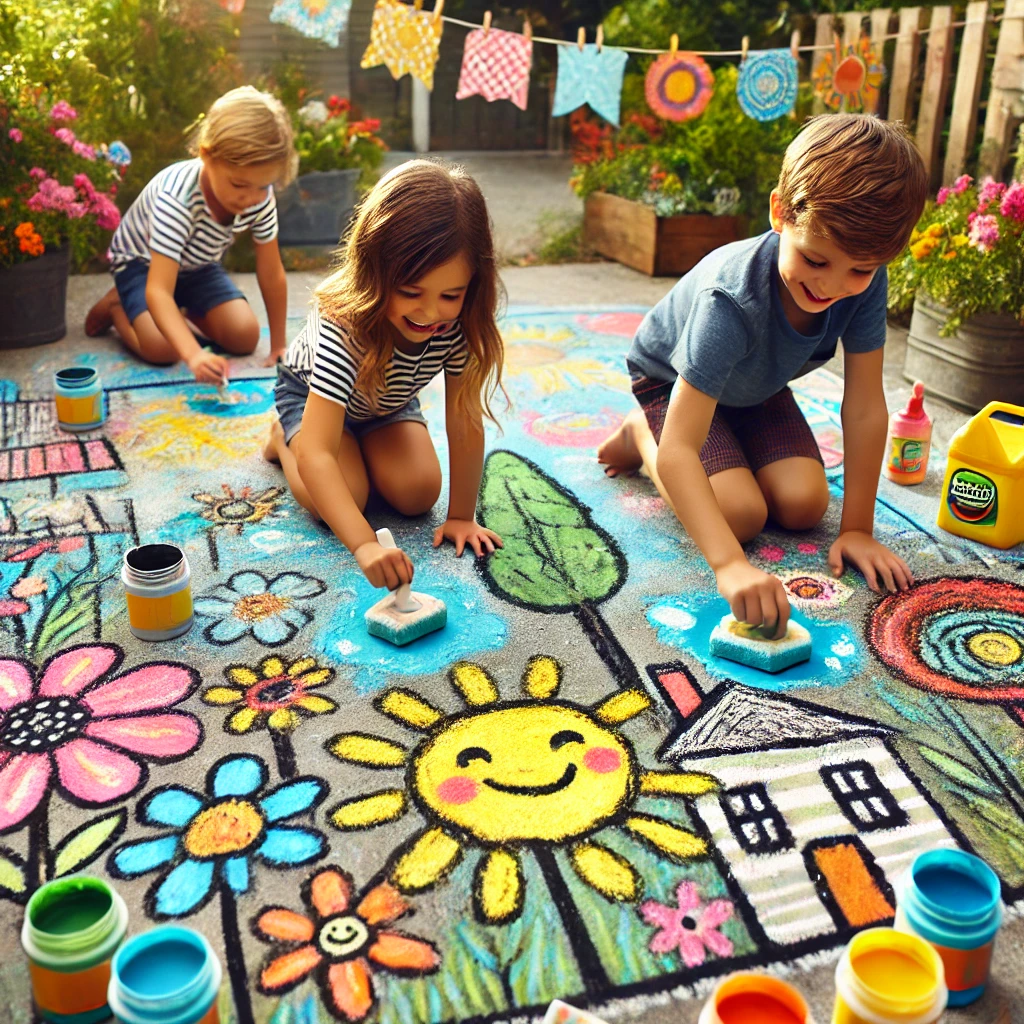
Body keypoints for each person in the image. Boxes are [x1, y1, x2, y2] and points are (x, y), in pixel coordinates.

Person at [598, 114, 929, 638]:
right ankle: (641, 434)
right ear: (779, 212)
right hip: (671, 378)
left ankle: (718, 443)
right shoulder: (730, 300)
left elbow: (865, 404)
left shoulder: (863, 278)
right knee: (738, 515)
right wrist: (730, 565)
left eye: (859, 270)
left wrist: (858, 529)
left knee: (804, 504)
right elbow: (684, 448)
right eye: (816, 259)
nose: (833, 286)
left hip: (754, 385)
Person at [264, 160, 506, 590]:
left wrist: (461, 517)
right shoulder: (346, 326)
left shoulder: (460, 324)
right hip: (309, 397)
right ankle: (281, 437)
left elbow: (464, 421)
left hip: (386, 403)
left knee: (418, 492)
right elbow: (319, 453)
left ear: (473, 283)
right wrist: (364, 545)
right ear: (373, 273)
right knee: (342, 499)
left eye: (450, 294)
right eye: (410, 292)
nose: (430, 313)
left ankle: (358, 445)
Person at [85, 86, 295, 384]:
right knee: (164, 349)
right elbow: (158, 289)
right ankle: (118, 304)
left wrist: (278, 345)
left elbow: (271, 271)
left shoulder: (258, 195)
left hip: (196, 266)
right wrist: (193, 355)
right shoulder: (178, 198)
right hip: (142, 266)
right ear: (206, 156)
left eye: (263, 186)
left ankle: (176, 310)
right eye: (238, 185)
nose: (251, 197)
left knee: (245, 336)